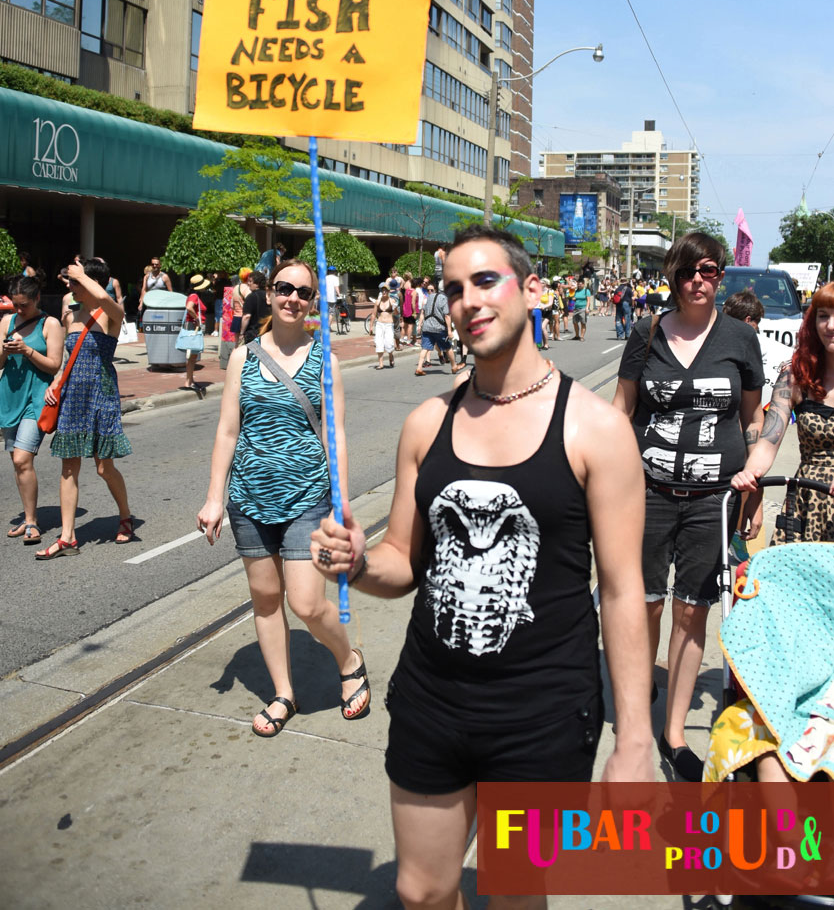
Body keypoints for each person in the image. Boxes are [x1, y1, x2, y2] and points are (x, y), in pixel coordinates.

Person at [311, 225, 654, 910]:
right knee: (421, 889)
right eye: (453, 289)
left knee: (513, 891)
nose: (467, 300)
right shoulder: (426, 423)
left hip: (544, 708)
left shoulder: (595, 429)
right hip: (432, 697)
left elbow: (620, 592)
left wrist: (635, 738)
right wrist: (353, 562)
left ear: (531, 290)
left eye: (485, 280)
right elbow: (401, 563)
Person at [612, 232, 764, 781]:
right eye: (688, 271)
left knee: (691, 611)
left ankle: (673, 734)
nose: (699, 280)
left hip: (712, 500)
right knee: (646, 604)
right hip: (647, 494)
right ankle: (635, 710)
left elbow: (751, 419)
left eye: (710, 270)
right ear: (673, 276)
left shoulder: (739, 340)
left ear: (721, 276)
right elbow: (621, 409)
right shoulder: (645, 332)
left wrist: (754, 487)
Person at [196, 258, 368, 737]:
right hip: (249, 498)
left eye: (303, 293)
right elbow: (228, 430)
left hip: (307, 496)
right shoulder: (243, 357)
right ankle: (283, 693)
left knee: (308, 604)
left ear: (314, 303)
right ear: (269, 293)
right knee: (267, 599)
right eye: (284, 288)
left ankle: (348, 659)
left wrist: (344, 507)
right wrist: (214, 497)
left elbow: (335, 437)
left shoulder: (325, 360)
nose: (292, 297)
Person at [36, 257, 134, 558]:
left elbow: (105, 296)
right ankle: (67, 538)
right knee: (68, 466)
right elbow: (67, 358)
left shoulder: (111, 313)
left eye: (75, 281)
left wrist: (84, 276)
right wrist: (56, 383)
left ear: (92, 282)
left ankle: (125, 516)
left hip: (101, 395)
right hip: (73, 396)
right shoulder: (70, 315)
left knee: (104, 467)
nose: (70, 286)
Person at [731, 281, 834, 546]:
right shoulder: (796, 376)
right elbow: (767, 442)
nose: (831, 326)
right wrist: (749, 474)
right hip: (808, 503)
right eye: (824, 316)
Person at [0, 276, 64, 545]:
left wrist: (26, 350)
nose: (19, 311)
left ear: (37, 299)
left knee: (21, 459)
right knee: (18, 460)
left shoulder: (50, 324)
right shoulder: (6, 322)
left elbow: (53, 365)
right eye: (15, 305)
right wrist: (5, 351)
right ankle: (28, 518)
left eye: (24, 305)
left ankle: (33, 524)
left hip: (36, 399)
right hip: (9, 396)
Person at [415, 280, 464, 376]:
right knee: (448, 347)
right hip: (439, 328)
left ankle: (419, 368)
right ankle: (454, 366)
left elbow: (423, 312)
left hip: (427, 327)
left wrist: (420, 325)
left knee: (425, 348)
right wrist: (449, 330)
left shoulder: (430, 297)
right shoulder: (444, 299)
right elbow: (447, 315)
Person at [183, 274, 211, 395]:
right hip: (193, 327)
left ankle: (190, 380)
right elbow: (189, 308)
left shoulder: (193, 295)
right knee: (192, 355)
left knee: (192, 356)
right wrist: (197, 318)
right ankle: (188, 381)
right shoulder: (194, 296)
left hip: (192, 326)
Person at [369, 284, 397, 370]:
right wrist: (371, 326)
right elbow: (373, 314)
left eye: (386, 290)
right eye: (382, 290)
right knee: (379, 342)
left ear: (388, 292)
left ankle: (391, 355)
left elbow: (396, 314)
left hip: (389, 324)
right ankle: (380, 363)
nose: (384, 292)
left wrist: (395, 309)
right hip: (380, 324)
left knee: (389, 343)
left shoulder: (392, 301)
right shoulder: (378, 301)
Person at [240, 270, 269, 344]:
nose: (248, 283)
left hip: (253, 333)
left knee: (253, 354)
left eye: (250, 281)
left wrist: (242, 332)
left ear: (257, 283)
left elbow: (247, 316)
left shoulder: (251, 297)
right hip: (267, 332)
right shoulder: (269, 295)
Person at [230, 267, 252, 346]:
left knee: (236, 344)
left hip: (236, 318)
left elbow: (232, 305)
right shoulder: (248, 289)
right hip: (244, 318)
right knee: (245, 345)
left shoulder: (236, 288)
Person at [400, 272, 420, 346]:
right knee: (410, 326)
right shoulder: (414, 292)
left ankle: (401, 339)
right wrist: (414, 312)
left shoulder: (407, 290)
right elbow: (413, 303)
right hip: (410, 311)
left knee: (404, 326)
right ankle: (408, 340)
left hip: (405, 310)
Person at [325, 265, 340, 332]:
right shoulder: (335, 278)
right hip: (332, 298)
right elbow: (336, 287)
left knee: (325, 312)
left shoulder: (325, 278)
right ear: (334, 272)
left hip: (324, 298)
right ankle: (328, 327)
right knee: (331, 312)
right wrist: (339, 294)